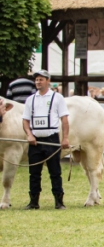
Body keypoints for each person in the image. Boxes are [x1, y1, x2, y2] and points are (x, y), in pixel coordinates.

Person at [22, 70, 69, 210]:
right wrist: (29, 135)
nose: (38, 82)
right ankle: (33, 202)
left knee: (55, 172)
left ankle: (59, 202)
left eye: (41, 79)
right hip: (35, 141)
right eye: (36, 79)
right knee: (34, 173)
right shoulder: (30, 99)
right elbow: (25, 121)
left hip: (51, 139)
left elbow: (65, 120)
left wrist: (65, 138)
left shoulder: (57, 98)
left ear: (48, 81)